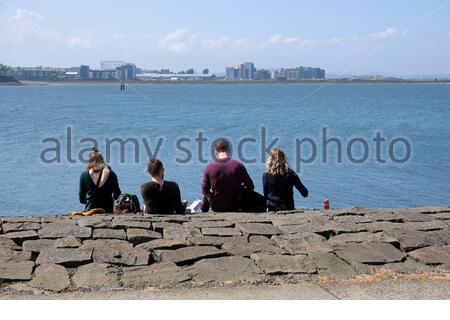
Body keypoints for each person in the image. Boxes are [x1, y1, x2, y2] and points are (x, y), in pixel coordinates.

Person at [202, 139, 255, 212]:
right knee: (242, 188)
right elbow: (250, 186)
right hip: (235, 206)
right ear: (229, 151)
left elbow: (205, 191)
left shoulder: (209, 167)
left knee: (209, 190)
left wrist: (212, 193)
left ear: (216, 152)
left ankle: (203, 211)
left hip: (216, 207)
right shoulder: (238, 165)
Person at [79, 148, 121, 212]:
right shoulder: (111, 174)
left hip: (90, 209)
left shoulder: (84, 175)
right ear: (102, 160)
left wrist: (87, 202)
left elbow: (81, 198)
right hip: (107, 209)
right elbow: (117, 195)